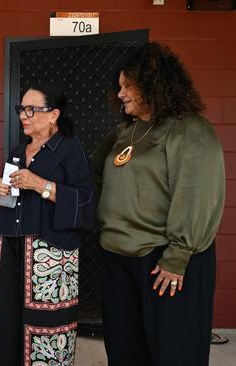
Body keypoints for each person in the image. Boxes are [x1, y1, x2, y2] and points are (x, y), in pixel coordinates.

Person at [93, 42, 224, 366]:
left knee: (174, 353)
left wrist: (177, 256)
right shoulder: (124, 132)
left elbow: (196, 193)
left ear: (152, 84)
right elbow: (93, 175)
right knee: (125, 352)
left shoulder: (188, 128)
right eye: (119, 86)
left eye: (128, 86)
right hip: (117, 258)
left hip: (164, 260)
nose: (120, 93)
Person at [0, 85, 95, 365]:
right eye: (21, 109)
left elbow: (86, 201)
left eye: (32, 109)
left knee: (46, 328)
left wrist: (40, 185)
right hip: (10, 250)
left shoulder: (69, 149)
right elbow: (6, 208)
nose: (24, 115)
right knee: (7, 320)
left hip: (49, 255)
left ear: (53, 115)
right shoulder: (16, 152)